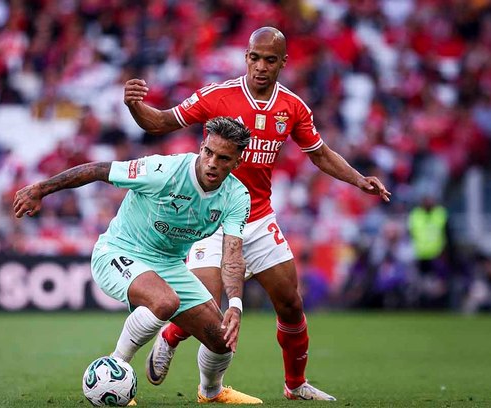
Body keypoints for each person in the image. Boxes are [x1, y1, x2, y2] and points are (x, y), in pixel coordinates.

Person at [123, 26, 392, 401]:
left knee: (291, 302)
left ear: (283, 62)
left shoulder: (292, 106)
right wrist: (135, 105)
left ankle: (295, 385)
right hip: (212, 218)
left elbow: (319, 153)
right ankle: (171, 337)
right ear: (245, 57)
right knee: (205, 303)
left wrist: (359, 179)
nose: (260, 66)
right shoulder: (219, 96)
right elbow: (161, 121)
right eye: (254, 58)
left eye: (269, 60)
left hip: (259, 218)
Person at [13, 117, 262, 405]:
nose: (211, 163)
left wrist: (235, 305)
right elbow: (97, 170)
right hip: (120, 252)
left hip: (169, 264)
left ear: (237, 163)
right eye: (208, 152)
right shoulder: (162, 170)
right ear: (201, 146)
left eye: (223, 158)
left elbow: (232, 255)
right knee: (165, 301)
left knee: (221, 340)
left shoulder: (236, 195)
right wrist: (40, 189)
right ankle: (115, 367)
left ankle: (211, 392)